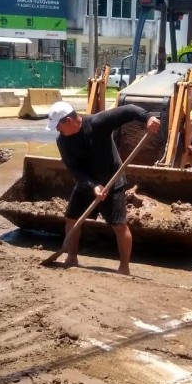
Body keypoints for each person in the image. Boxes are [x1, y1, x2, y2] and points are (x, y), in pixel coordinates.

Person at [47, 100, 161, 275]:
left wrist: (148, 118)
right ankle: (71, 258)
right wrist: (92, 186)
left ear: (68, 121)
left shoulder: (98, 123)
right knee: (71, 219)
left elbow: (128, 110)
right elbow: (74, 169)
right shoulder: (63, 141)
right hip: (87, 183)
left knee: (119, 225)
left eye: (58, 126)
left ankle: (124, 268)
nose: (57, 130)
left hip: (112, 181)